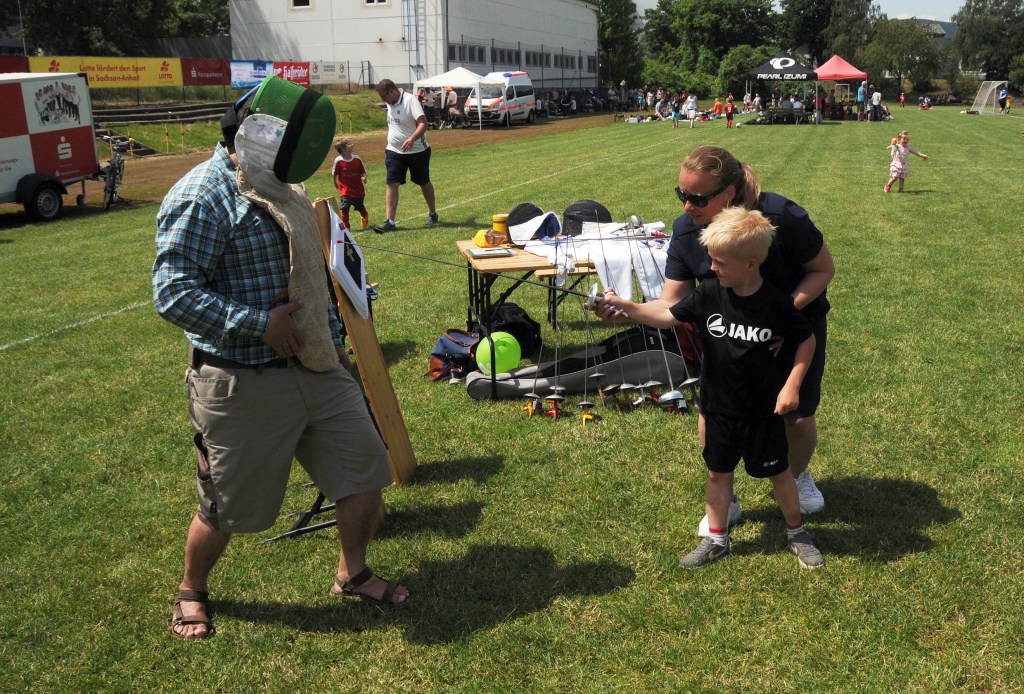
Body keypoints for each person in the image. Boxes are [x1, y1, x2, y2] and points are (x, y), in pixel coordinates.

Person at [154, 76, 410, 640]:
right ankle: (192, 589)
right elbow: (173, 293)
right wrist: (259, 325)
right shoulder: (201, 195)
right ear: (257, 133)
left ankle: (352, 571)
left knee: (366, 469)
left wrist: (334, 342)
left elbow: (312, 276)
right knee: (226, 505)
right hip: (243, 380)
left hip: (317, 368)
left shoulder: (284, 186)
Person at [596, 145, 834, 535]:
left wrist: (777, 318)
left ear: (729, 193)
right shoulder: (687, 229)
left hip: (795, 327)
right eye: (682, 194)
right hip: (729, 340)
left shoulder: (780, 217)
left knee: (798, 416)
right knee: (716, 413)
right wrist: (629, 308)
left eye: (698, 198)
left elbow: (823, 269)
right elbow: (671, 304)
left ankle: (796, 475)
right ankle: (727, 497)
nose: (687, 206)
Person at [373, 78, 438, 233]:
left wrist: (411, 139)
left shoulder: (411, 100)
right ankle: (390, 221)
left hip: (417, 151)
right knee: (392, 183)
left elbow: (423, 124)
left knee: (423, 182)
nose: (383, 100)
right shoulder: (390, 102)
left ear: (393, 91)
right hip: (394, 151)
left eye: (384, 96)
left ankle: (432, 213)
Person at [332, 136, 369, 230]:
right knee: (344, 209)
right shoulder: (338, 161)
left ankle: (364, 216)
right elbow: (334, 174)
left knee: (360, 207)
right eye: (349, 144)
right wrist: (335, 183)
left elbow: (363, 171)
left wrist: (364, 177)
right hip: (345, 191)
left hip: (358, 190)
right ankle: (346, 228)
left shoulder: (357, 159)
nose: (352, 145)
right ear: (343, 149)